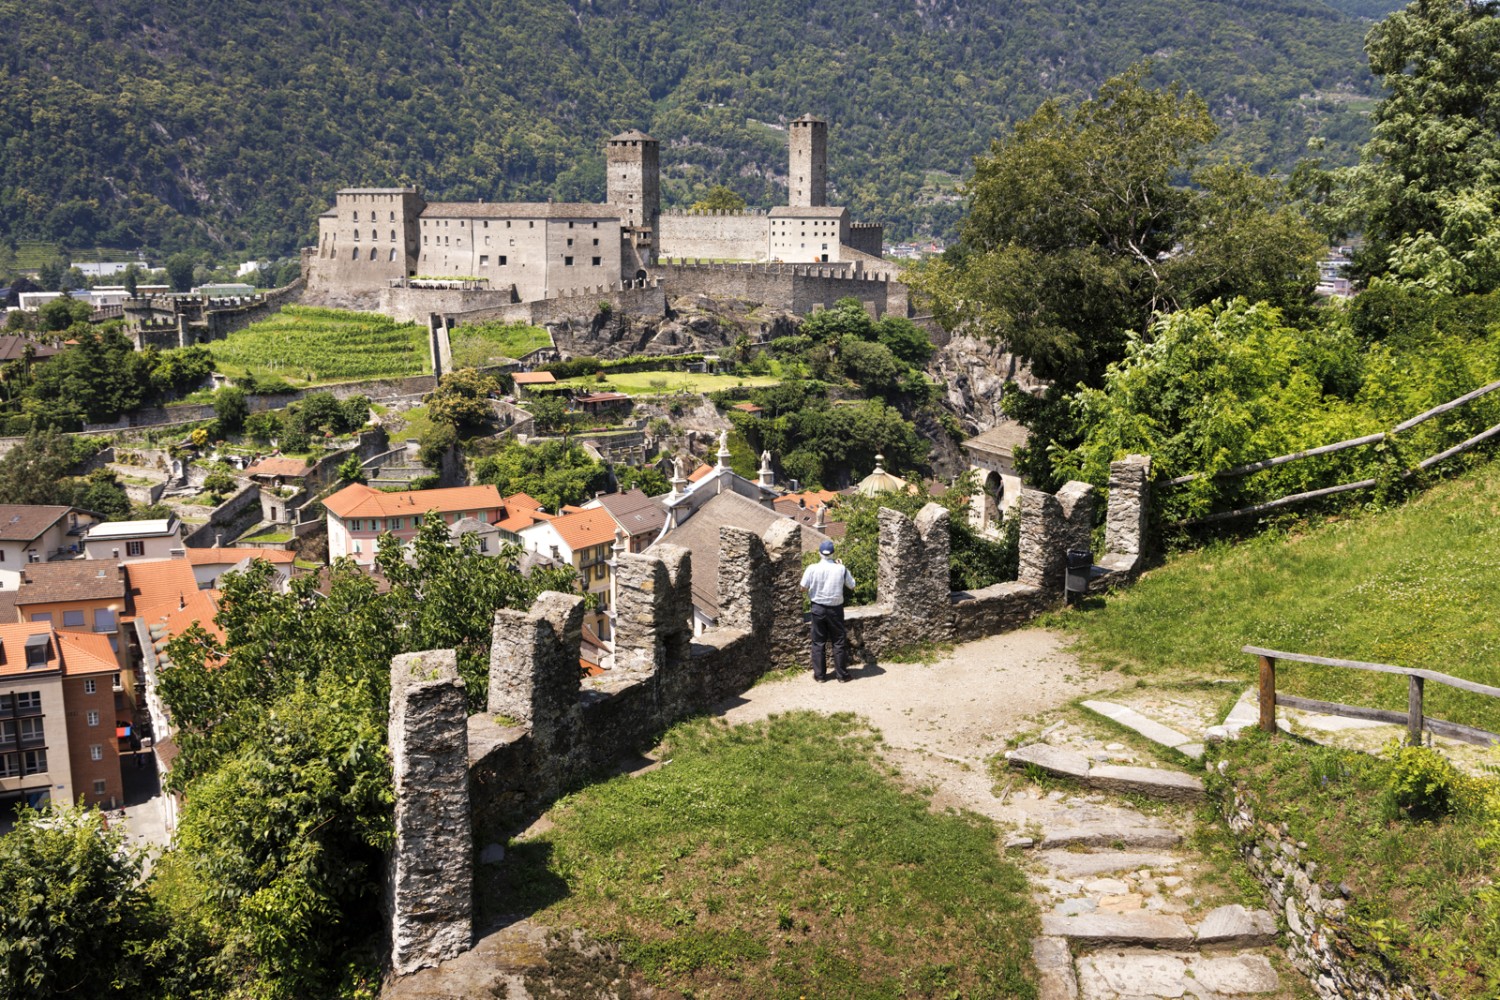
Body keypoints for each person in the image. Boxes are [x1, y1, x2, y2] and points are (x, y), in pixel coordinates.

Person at [800, 538, 855, 682]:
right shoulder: (841, 569)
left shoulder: (812, 568)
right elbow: (852, 585)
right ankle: (842, 675)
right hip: (836, 610)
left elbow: (803, 588)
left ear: (820, 553)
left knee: (818, 642)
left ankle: (820, 676)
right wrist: (842, 567)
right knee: (838, 642)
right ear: (833, 553)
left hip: (817, 608)